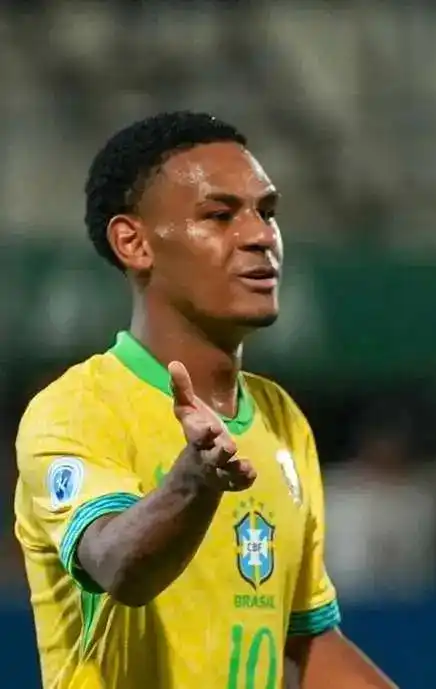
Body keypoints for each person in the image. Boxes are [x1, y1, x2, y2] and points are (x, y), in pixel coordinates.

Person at [13, 111, 395, 688]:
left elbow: (306, 638)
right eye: (220, 215)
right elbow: (118, 565)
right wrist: (193, 482)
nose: (260, 235)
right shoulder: (77, 409)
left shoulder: (281, 420)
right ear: (134, 243)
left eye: (266, 212)